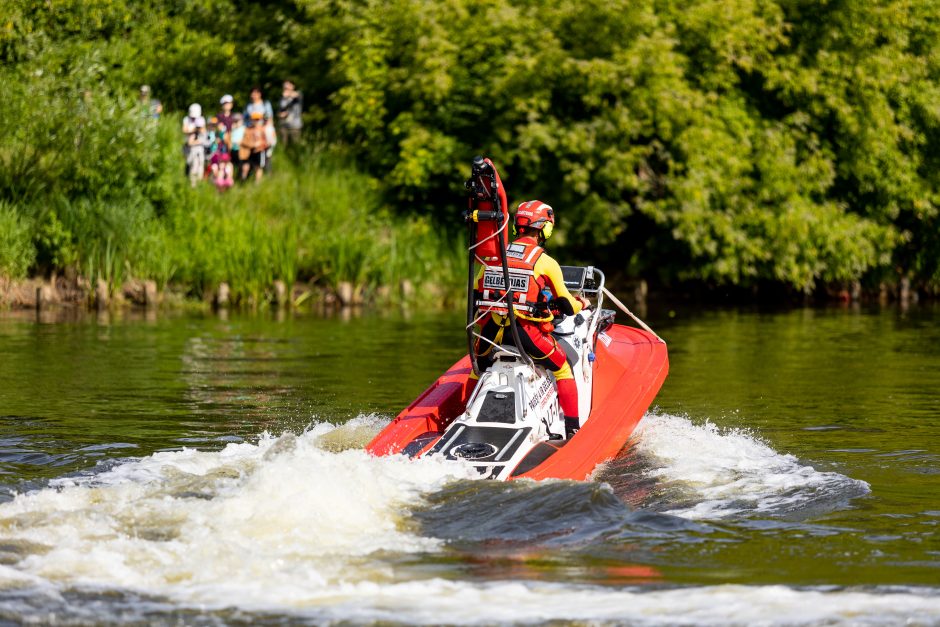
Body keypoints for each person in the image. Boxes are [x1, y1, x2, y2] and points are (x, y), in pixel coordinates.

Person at [472, 200, 590, 439]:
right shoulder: (545, 262)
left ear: (518, 227)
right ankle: (573, 429)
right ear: (544, 229)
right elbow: (567, 306)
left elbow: (476, 291)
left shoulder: (495, 256)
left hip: (491, 333)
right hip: (526, 334)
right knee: (563, 368)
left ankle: (460, 414)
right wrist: (583, 303)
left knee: (477, 368)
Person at [238, 111, 268, 182]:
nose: (256, 121)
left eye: (257, 119)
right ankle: (243, 182)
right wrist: (251, 144)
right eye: (254, 119)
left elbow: (267, 141)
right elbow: (243, 141)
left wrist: (260, 143)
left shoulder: (262, 129)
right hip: (249, 152)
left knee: (258, 167)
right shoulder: (248, 129)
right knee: (246, 166)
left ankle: (257, 184)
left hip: (259, 151)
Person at [277, 80, 303, 146]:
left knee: (295, 145)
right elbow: (280, 110)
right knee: (283, 145)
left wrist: (288, 94)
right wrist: (280, 114)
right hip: (283, 125)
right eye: (284, 87)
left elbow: (296, 95)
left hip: (295, 125)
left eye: (288, 86)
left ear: (293, 86)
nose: (286, 88)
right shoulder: (282, 98)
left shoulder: (298, 94)